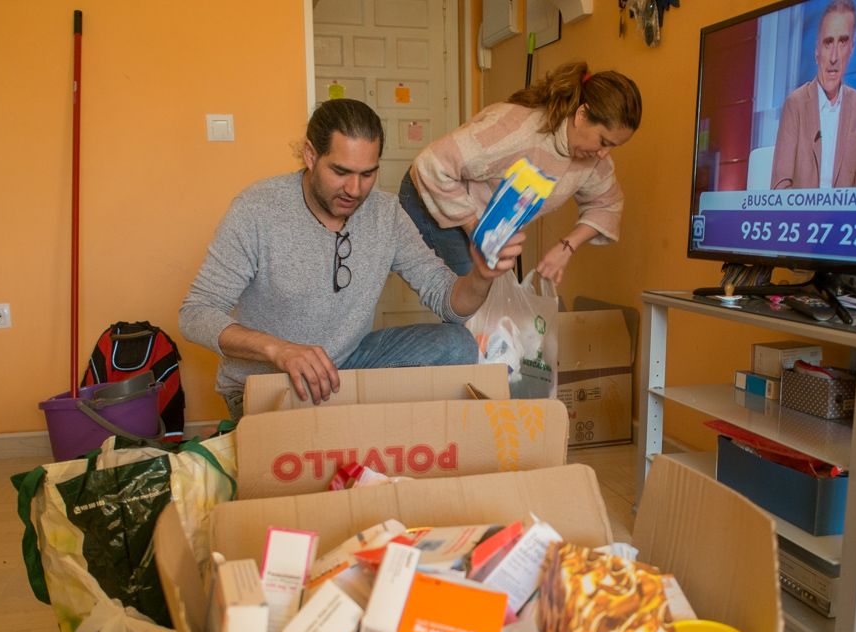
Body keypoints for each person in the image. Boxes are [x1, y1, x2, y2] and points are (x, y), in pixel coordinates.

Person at [179, 98, 523, 419]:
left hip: (345, 368)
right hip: (264, 384)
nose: (355, 190)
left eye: (367, 174)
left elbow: (449, 303)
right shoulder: (257, 210)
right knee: (313, 454)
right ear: (310, 155)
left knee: (457, 344)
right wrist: (279, 350)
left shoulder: (386, 214)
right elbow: (195, 313)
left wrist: (481, 275)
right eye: (341, 172)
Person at [398, 61, 641, 285]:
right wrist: (478, 231)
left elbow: (607, 205)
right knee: (473, 298)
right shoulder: (516, 130)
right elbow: (432, 164)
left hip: (484, 219)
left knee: (492, 297)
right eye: (603, 141)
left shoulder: (592, 159)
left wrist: (567, 247)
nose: (604, 154)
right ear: (582, 115)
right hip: (430, 195)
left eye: (613, 146)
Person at [770, 0, 856, 190]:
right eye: (828, 43)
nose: (834, 57)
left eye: (842, 42)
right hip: (801, 211)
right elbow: (779, 188)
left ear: (852, 48)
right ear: (817, 51)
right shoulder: (796, 104)